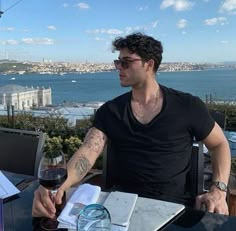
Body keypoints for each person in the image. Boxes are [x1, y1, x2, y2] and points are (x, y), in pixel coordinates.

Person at [32, 32, 231, 218]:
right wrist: (58, 186)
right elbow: (88, 151)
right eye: (118, 61)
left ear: (149, 64)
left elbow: (219, 144)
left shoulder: (187, 106)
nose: (118, 67)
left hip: (173, 209)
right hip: (118, 207)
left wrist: (219, 189)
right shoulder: (111, 111)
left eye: (126, 62)